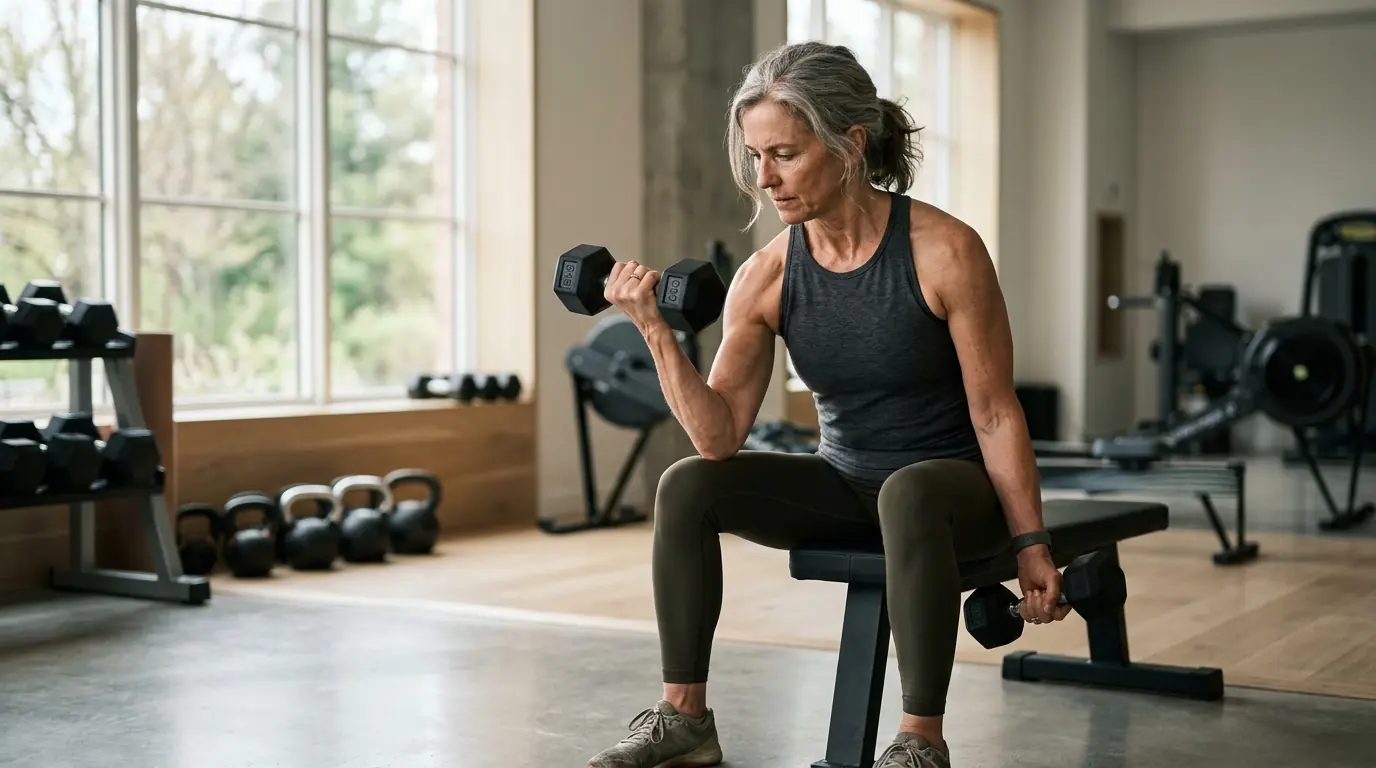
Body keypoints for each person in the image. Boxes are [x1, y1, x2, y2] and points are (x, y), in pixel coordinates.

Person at [585, 41, 1068, 768]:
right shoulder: (768, 274)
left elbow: (996, 411)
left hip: (950, 492)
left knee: (907, 493)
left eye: (784, 153)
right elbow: (717, 438)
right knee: (686, 485)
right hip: (847, 481)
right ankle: (685, 719)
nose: (765, 179)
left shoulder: (945, 252)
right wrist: (653, 329)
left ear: (850, 144)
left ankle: (920, 742)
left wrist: (1032, 543)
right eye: (755, 157)